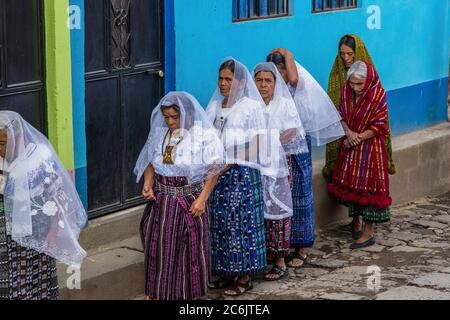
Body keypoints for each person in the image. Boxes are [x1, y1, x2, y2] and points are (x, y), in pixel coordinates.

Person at [134, 92, 225, 300]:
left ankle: (185, 296)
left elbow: (214, 169)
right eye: (166, 117)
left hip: (190, 201)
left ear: (188, 114)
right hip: (162, 201)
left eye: (175, 117)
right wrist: (148, 182)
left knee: (187, 252)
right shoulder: (160, 134)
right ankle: (157, 293)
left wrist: (202, 199)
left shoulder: (203, 136)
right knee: (158, 249)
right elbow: (151, 161)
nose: (170, 122)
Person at [267, 48, 344, 268]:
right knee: (282, 198)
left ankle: (302, 249)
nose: (276, 79)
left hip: (297, 151)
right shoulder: (270, 91)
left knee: (301, 196)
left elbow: (293, 79)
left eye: (279, 73)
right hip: (277, 151)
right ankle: (282, 246)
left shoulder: (295, 88)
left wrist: (288, 55)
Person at [0, 111, 87, 300]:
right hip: (5, 237)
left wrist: (53, 233)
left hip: (37, 234)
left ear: (17, 138)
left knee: (36, 278)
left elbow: (58, 197)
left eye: (2, 143)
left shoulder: (39, 158)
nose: (0, 148)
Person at [206, 58, 269, 296]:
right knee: (220, 223)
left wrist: (229, 161)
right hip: (217, 174)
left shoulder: (250, 107)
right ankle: (225, 271)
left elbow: (257, 144)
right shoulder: (214, 107)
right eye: (220, 79)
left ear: (240, 82)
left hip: (241, 173)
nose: (223, 84)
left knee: (240, 224)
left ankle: (244, 275)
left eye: (228, 80)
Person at [324, 34, 396, 240]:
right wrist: (348, 132)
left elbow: (380, 124)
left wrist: (358, 137)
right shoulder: (346, 89)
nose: (355, 88)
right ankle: (356, 220)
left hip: (370, 147)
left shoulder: (376, 93)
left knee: (370, 188)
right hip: (352, 144)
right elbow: (340, 113)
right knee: (354, 185)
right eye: (342, 54)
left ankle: (368, 230)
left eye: (350, 54)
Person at [253, 62, 307, 280]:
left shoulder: (283, 104)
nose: (263, 85)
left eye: (268, 81)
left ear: (276, 84)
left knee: (278, 211)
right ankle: (262, 257)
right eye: (259, 80)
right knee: (258, 211)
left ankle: (280, 260)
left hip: (277, 167)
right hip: (256, 165)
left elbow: (294, 130)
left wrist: (272, 141)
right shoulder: (250, 105)